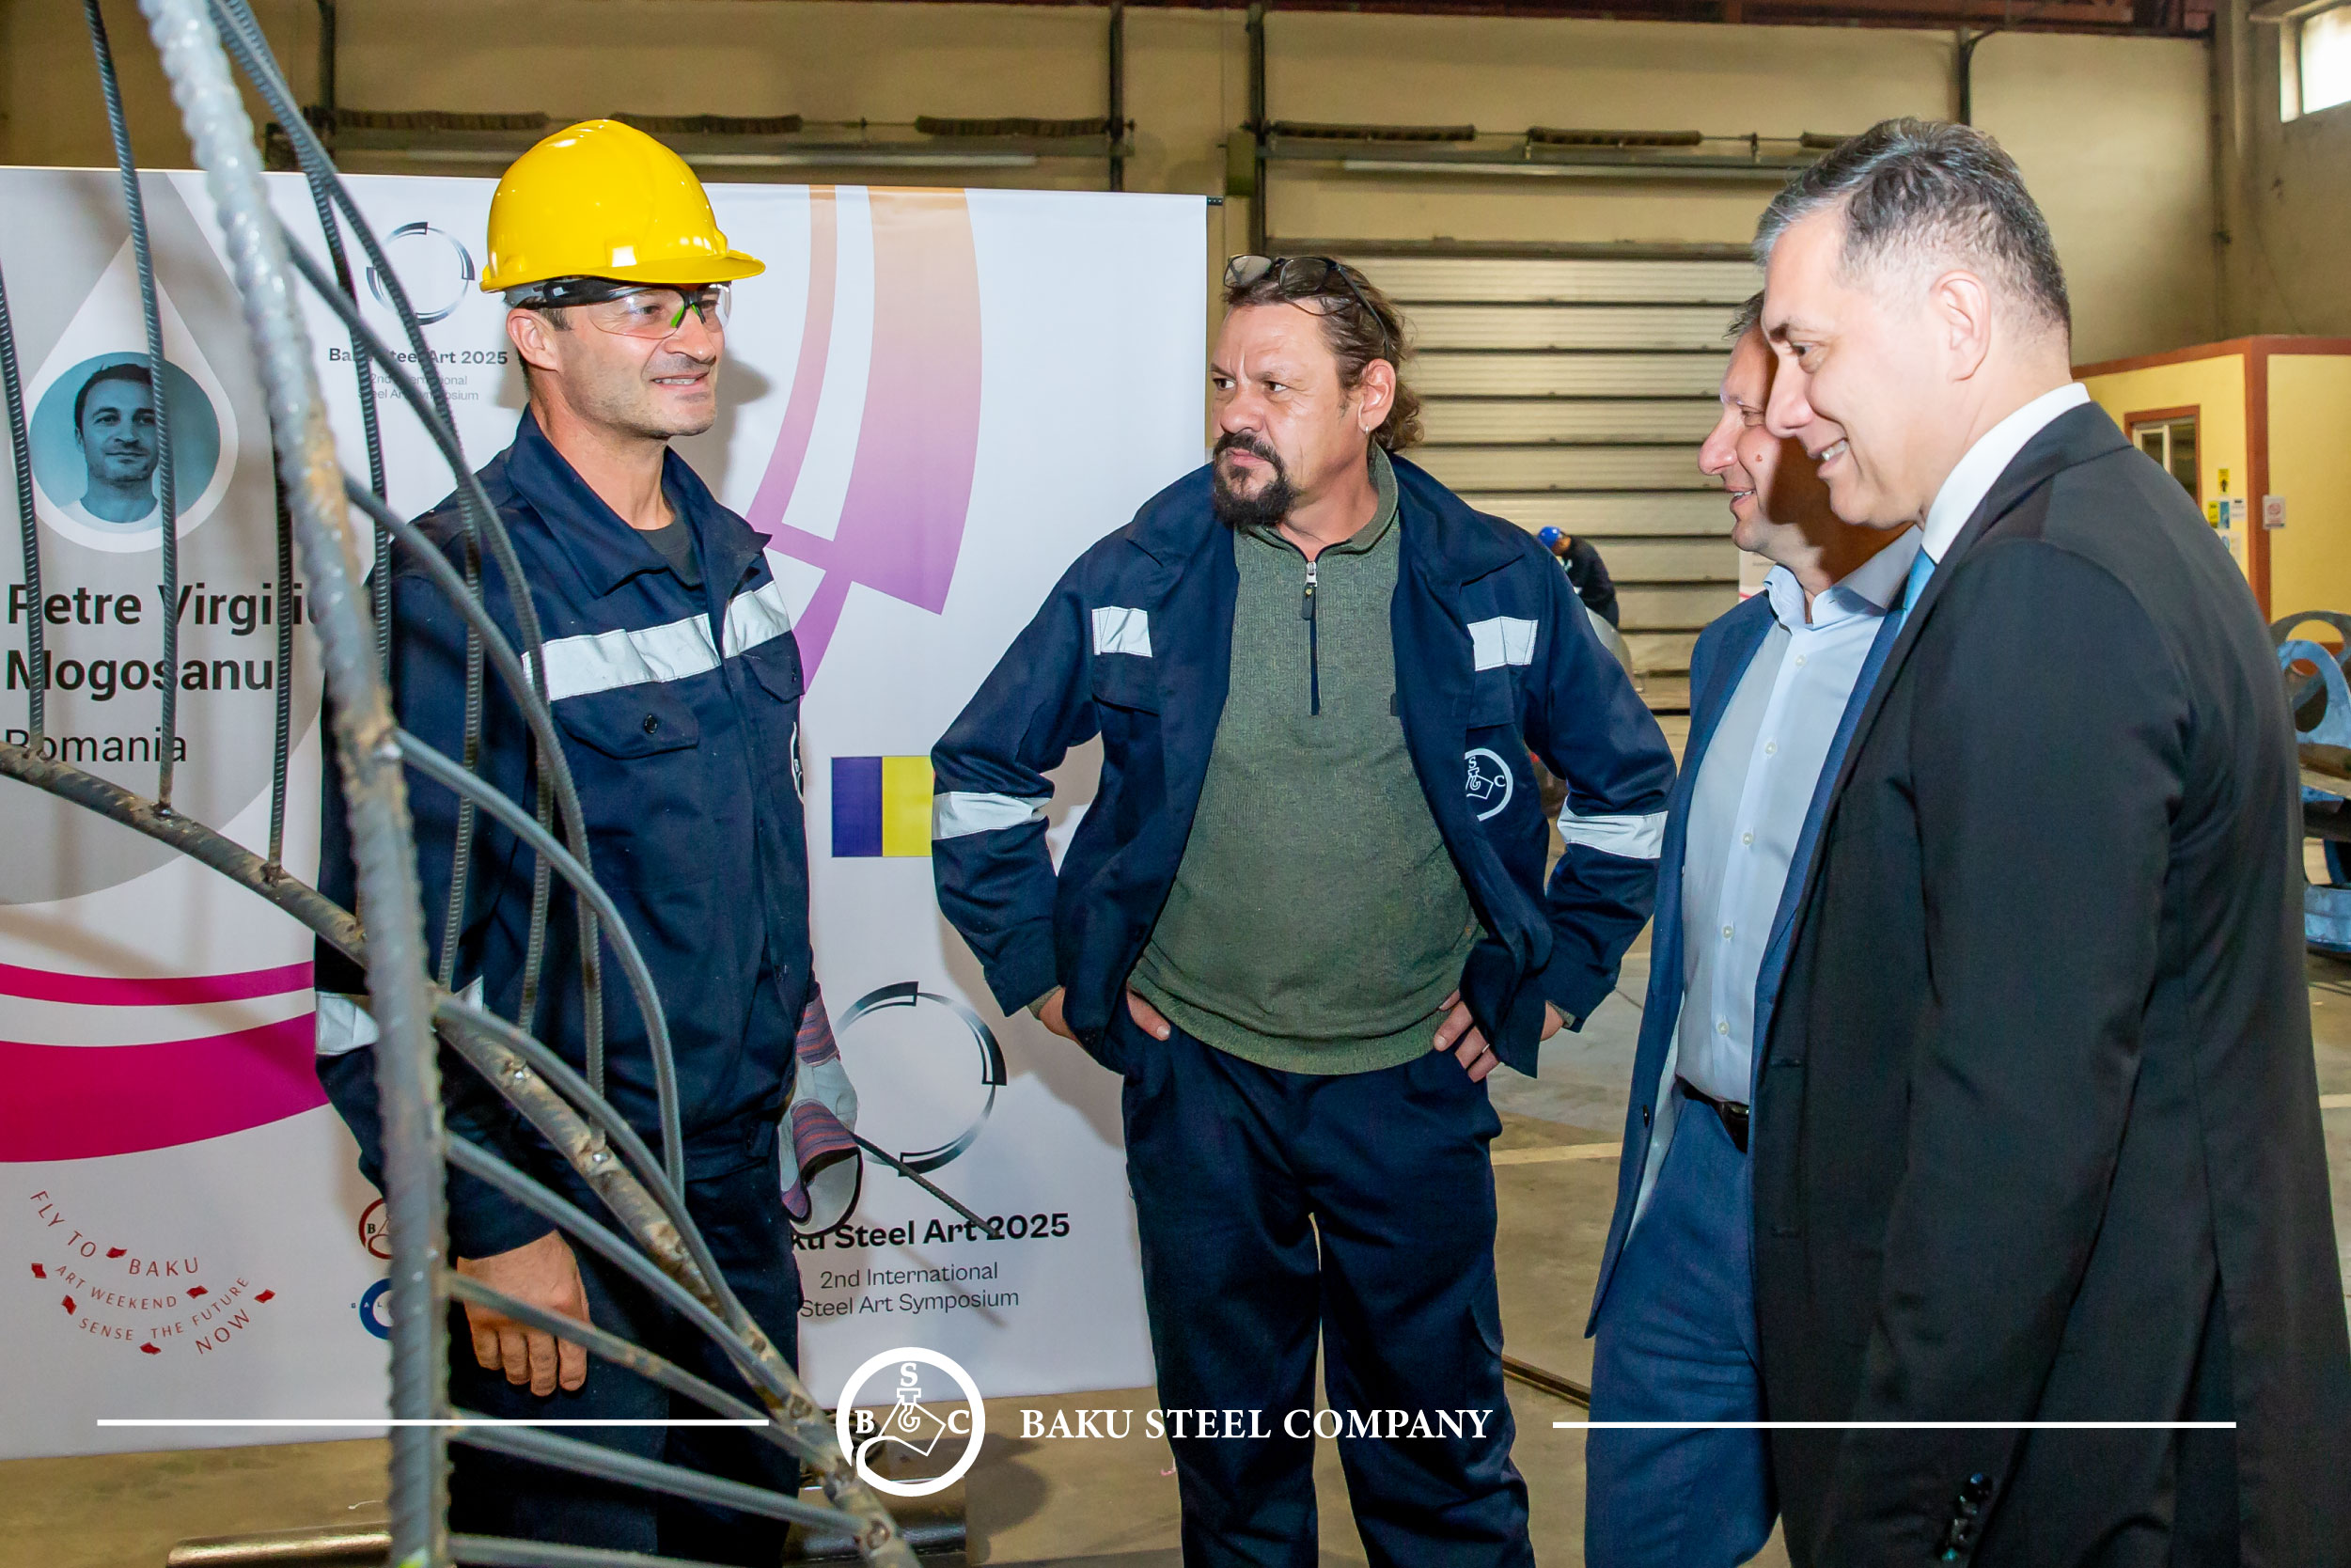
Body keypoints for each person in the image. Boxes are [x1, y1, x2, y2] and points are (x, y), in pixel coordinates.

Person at [931, 255, 1675, 1568]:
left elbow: (1629, 792)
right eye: (1224, 381)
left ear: (1368, 397)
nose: (1236, 411)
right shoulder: (1141, 571)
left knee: (1437, 1455)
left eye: (1274, 386)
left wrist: (1555, 975)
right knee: (1232, 1464)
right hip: (1201, 1085)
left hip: (1411, 1080)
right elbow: (979, 774)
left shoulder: (1491, 579)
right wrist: (1044, 966)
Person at [1751, 118, 2351, 1563]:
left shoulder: (2045, 586)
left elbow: (2015, 1124)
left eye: (1806, 350)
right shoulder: (2101, 529)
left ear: (1954, 320)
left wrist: (1898, 1512)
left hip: (2093, 1466)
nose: (1782, 407)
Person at [312, 119, 819, 1565]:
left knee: (747, 1533)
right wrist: (493, 1216)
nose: (695, 338)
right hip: (564, 1205)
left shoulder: (732, 562)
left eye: (702, 302)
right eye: (647, 307)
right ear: (535, 334)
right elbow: (376, 974)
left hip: (733, 1192)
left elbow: (750, 873)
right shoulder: (454, 591)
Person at [1581, 295, 1917, 1567]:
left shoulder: (1935, 659)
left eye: (1740, 416)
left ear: (1839, 426)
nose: (1709, 451)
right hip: (1687, 1195)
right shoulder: (1728, 653)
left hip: (1854, 1206)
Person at [71, 362, 160, 525]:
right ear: (80, 438)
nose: (128, 437)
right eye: (107, 419)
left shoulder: (182, 525)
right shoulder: (46, 529)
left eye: (146, 420)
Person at [1534, 525, 1618, 627]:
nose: (1552, 553)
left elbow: (1575, 587)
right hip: (1589, 604)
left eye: (1552, 549)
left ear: (1560, 543)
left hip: (1601, 607)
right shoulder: (1570, 548)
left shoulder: (1581, 554)